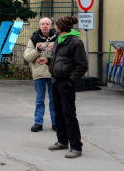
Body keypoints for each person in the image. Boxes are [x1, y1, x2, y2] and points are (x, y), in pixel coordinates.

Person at [38, 16, 87, 159]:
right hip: (56, 81)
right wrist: (47, 61)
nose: (54, 26)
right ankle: (62, 141)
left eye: (56, 24)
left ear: (62, 27)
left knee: (69, 114)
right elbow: (58, 60)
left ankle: (76, 147)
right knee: (58, 112)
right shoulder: (59, 40)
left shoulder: (76, 42)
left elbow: (82, 65)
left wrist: (71, 81)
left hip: (66, 83)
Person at [23, 17, 57, 132]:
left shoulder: (57, 38)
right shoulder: (34, 38)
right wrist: (37, 50)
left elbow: (62, 55)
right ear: (39, 26)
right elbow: (27, 57)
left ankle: (56, 123)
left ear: (51, 26)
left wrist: (53, 51)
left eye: (47, 24)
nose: (45, 26)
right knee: (39, 100)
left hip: (53, 73)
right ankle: (38, 123)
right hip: (39, 74)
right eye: (42, 24)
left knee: (54, 100)